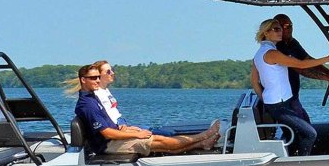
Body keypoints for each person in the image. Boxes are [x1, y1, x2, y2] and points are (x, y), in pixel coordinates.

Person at [73, 65, 220, 156]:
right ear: (83, 80)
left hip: (113, 139)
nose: (98, 80)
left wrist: (128, 129)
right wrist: (137, 134)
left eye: (98, 77)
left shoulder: (92, 98)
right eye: (93, 78)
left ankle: (202, 144)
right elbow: (107, 133)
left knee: (166, 146)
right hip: (109, 144)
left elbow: (110, 125)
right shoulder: (87, 105)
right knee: (163, 141)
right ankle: (203, 136)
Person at [253, 18, 329, 155]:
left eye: (281, 29)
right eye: (276, 29)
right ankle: (301, 163)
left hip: (279, 103)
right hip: (279, 105)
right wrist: (328, 59)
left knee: (295, 135)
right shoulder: (272, 54)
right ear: (266, 33)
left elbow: (254, 81)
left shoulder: (259, 54)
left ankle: (293, 158)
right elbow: (300, 65)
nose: (280, 31)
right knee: (310, 134)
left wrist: (265, 100)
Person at [91, 60, 177, 136]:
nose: (112, 73)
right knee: (165, 134)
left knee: (162, 131)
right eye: (108, 71)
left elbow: (113, 111)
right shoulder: (97, 94)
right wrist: (126, 129)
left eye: (112, 70)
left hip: (121, 122)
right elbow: (105, 119)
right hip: (117, 127)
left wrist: (124, 124)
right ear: (98, 75)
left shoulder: (105, 90)